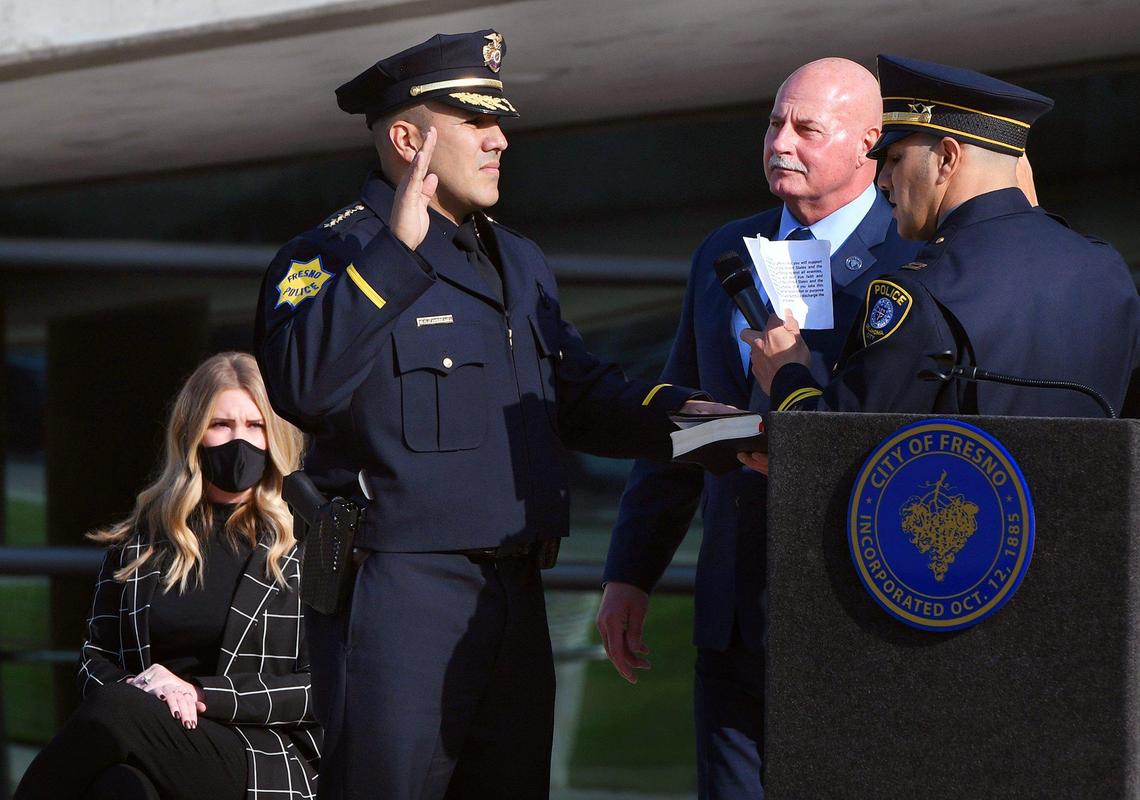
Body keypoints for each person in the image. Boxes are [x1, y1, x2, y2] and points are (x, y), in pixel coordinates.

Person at [253, 29, 722, 800]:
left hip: (514, 592)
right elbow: (302, 386)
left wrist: (708, 429)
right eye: (476, 122)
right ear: (407, 139)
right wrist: (394, 258)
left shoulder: (520, 260)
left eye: (498, 120)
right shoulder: (334, 255)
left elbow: (579, 396)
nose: (501, 138)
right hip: (404, 596)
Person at [596, 57, 920, 798]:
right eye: (776, 122)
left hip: (855, 616)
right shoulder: (723, 250)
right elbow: (678, 418)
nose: (782, 142)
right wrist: (629, 572)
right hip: (733, 619)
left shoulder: (914, 258)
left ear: (869, 142)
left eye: (808, 129)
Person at [744, 54, 1140, 425]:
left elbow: (838, 444)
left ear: (948, 158)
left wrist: (786, 376)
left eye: (896, 159)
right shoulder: (1105, 266)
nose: (883, 179)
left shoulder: (920, 292)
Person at [14, 352, 320, 800]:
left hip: (260, 754)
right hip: (150, 739)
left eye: (255, 426)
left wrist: (199, 694)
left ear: (276, 437)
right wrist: (146, 691)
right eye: (221, 425)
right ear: (192, 434)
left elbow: (326, 684)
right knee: (120, 786)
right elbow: (96, 656)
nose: (240, 442)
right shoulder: (144, 539)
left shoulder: (306, 541)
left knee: (119, 707)